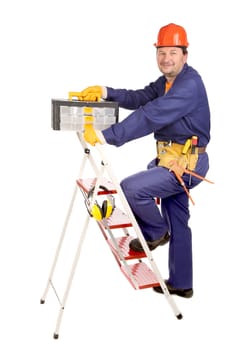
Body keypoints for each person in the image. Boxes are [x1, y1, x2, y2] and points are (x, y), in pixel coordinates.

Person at [76, 23, 211, 298]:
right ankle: (182, 283)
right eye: (162, 52)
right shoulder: (167, 82)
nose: (166, 59)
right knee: (179, 220)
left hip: (188, 165)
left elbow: (151, 114)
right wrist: (105, 91)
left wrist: (106, 136)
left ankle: (155, 233)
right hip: (171, 160)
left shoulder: (189, 85)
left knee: (132, 188)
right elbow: (140, 97)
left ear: (185, 55)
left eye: (173, 52)